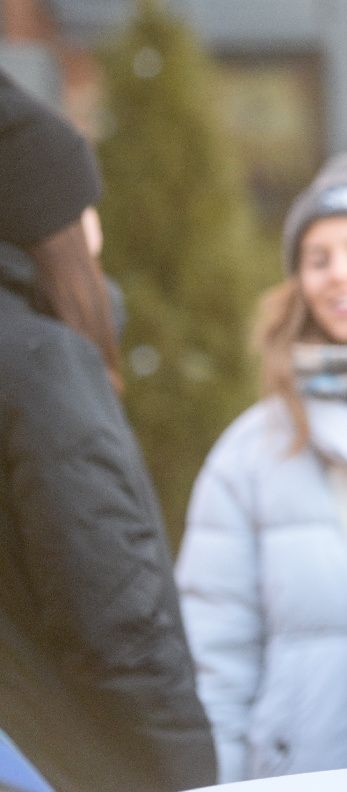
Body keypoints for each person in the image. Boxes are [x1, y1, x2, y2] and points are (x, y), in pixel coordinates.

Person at [175, 150, 347, 782]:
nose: (339, 275)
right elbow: (216, 651)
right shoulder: (253, 451)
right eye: (318, 258)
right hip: (301, 772)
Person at [0, 72, 216, 792]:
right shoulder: (43, 363)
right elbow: (115, 617)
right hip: (71, 757)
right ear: (48, 225)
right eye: (84, 204)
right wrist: (186, 771)